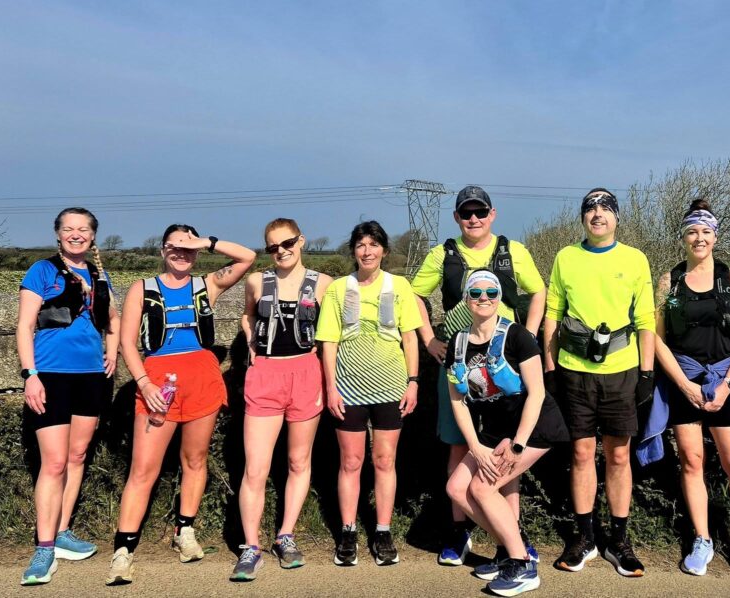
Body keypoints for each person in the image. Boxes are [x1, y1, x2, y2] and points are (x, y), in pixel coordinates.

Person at [106, 225, 255, 585]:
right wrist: (143, 382)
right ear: (162, 250)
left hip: (202, 377)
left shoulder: (208, 285)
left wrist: (205, 242)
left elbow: (247, 257)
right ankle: (123, 549)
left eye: (188, 247)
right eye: (174, 246)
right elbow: (127, 342)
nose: (181, 253)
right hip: (158, 381)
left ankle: (184, 530)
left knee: (195, 460)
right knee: (144, 468)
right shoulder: (143, 289)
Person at [411, 185, 547, 566]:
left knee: (506, 450)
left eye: (480, 212)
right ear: (456, 217)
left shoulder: (513, 251)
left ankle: (510, 540)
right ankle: (460, 534)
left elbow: (538, 292)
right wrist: (429, 340)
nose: (474, 219)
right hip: (460, 361)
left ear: (492, 214)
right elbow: (412, 295)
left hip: (505, 366)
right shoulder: (443, 253)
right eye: (466, 213)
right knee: (459, 444)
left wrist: (530, 338)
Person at [636, 199, 730, 584]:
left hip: (726, 381)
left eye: (706, 231)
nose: (699, 238)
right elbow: (657, 338)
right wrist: (683, 384)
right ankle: (702, 539)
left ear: (715, 236)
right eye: (692, 232)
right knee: (692, 463)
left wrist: (727, 386)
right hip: (685, 380)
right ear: (683, 237)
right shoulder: (668, 281)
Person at [542, 188, 656, 577]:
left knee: (619, 455)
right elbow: (552, 316)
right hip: (574, 371)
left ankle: (620, 540)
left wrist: (647, 373)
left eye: (606, 208)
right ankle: (585, 537)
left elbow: (645, 322)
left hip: (622, 372)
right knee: (580, 455)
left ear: (617, 218)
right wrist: (550, 367)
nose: (597, 213)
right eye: (590, 208)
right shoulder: (565, 258)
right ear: (582, 218)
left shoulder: (635, 259)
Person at [444, 270, 569, 596]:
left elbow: (537, 394)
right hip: (493, 431)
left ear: (499, 297)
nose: (483, 298)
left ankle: (521, 564)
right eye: (476, 292)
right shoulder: (457, 344)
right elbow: (458, 402)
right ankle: (511, 544)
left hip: (534, 427)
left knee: (483, 488)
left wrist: (516, 446)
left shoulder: (517, 336)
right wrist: (476, 445)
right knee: (457, 488)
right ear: (467, 299)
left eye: (491, 292)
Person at [17, 207, 120, 586]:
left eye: (83, 229)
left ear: (93, 236)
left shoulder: (99, 274)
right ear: (58, 234)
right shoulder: (41, 270)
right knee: (55, 462)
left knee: (77, 455)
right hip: (52, 376)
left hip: (91, 376)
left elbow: (113, 320)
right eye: (68, 229)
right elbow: (25, 325)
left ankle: (61, 532)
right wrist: (31, 376)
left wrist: (113, 349)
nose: (76, 234)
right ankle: (44, 547)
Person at [231, 218, 333, 581]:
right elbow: (246, 315)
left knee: (297, 460)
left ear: (301, 241)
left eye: (287, 243)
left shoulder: (323, 284)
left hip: (307, 373)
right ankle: (250, 546)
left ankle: (285, 535)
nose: (281, 251)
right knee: (255, 467)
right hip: (266, 375)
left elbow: (334, 333)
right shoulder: (257, 281)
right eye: (273, 247)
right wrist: (253, 345)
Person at [315, 220, 421, 566]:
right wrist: (330, 387)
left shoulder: (399, 286)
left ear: (384, 251)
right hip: (349, 387)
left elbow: (410, 337)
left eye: (374, 245)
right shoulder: (338, 289)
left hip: (392, 384)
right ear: (353, 251)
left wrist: (413, 381)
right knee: (351, 461)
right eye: (361, 245)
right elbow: (328, 341)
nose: (367, 251)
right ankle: (347, 531)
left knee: (384, 460)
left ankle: (383, 530)